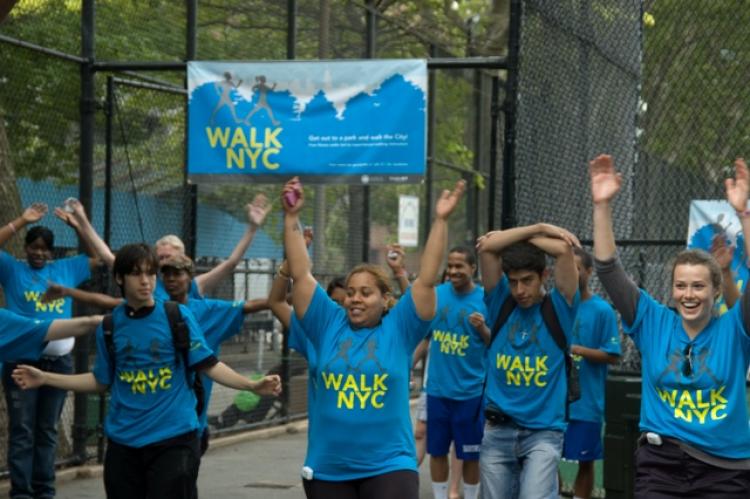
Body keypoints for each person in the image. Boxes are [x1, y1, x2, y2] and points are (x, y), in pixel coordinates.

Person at [11, 243, 282, 499]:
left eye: (151, 273)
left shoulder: (177, 316)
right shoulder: (110, 326)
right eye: (136, 273)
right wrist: (45, 378)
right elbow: (99, 380)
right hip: (123, 444)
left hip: (173, 439)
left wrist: (251, 385)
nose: (146, 281)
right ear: (119, 278)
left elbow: (209, 365)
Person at [283, 176, 465, 498]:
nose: (355, 298)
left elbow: (425, 280)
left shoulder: (399, 328)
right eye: (351, 292)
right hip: (328, 468)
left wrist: (440, 221)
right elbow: (300, 273)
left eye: (366, 293)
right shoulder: (328, 323)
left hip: (390, 466)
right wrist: (291, 218)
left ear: (385, 299)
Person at [589, 154, 750, 497]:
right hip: (660, 464)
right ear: (672, 289)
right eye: (681, 285)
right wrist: (602, 205)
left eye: (698, 286)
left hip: (725, 471)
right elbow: (607, 270)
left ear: (715, 291)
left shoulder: (735, 330)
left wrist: (744, 214)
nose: (688, 295)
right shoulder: (652, 321)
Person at [0, 201, 99, 499]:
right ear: (26, 248)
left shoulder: (65, 268)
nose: (39, 253)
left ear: (52, 251)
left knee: (47, 430)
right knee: (23, 430)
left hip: (58, 363)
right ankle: (21, 493)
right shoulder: (12, 269)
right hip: (21, 361)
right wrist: (21, 220)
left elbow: (99, 257)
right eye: (35, 247)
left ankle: (45, 491)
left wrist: (79, 225)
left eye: (45, 249)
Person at [476, 223, 580, 499]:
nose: (519, 290)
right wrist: (540, 227)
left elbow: (562, 249)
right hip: (498, 429)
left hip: (543, 432)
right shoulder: (500, 301)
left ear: (543, 276)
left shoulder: (561, 307)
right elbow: (487, 247)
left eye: (527, 280)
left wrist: (529, 236)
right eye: (512, 281)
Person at [61, 194, 271, 299]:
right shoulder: (147, 284)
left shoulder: (195, 286)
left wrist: (252, 228)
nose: (165, 264)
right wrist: (82, 219)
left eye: (170, 258)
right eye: (160, 258)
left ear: (185, 260)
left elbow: (231, 263)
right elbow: (106, 255)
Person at [424, 247, 488, 499]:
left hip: (470, 393)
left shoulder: (486, 299)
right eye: (450, 266)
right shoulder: (437, 295)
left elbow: (495, 342)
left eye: (459, 266)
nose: (453, 271)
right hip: (437, 391)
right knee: (437, 451)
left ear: (473, 268)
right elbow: (425, 338)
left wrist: (482, 328)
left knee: (470, 454)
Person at [561, 246, 621, 499]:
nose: (571, 274)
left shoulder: (601, 310)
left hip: (586, 403)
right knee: (545, 456)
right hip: (552, 403)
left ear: (588, 271)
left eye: (576, 268)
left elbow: (612, 354)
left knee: (586, 462)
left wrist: (576, 349)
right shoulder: (554, 305)